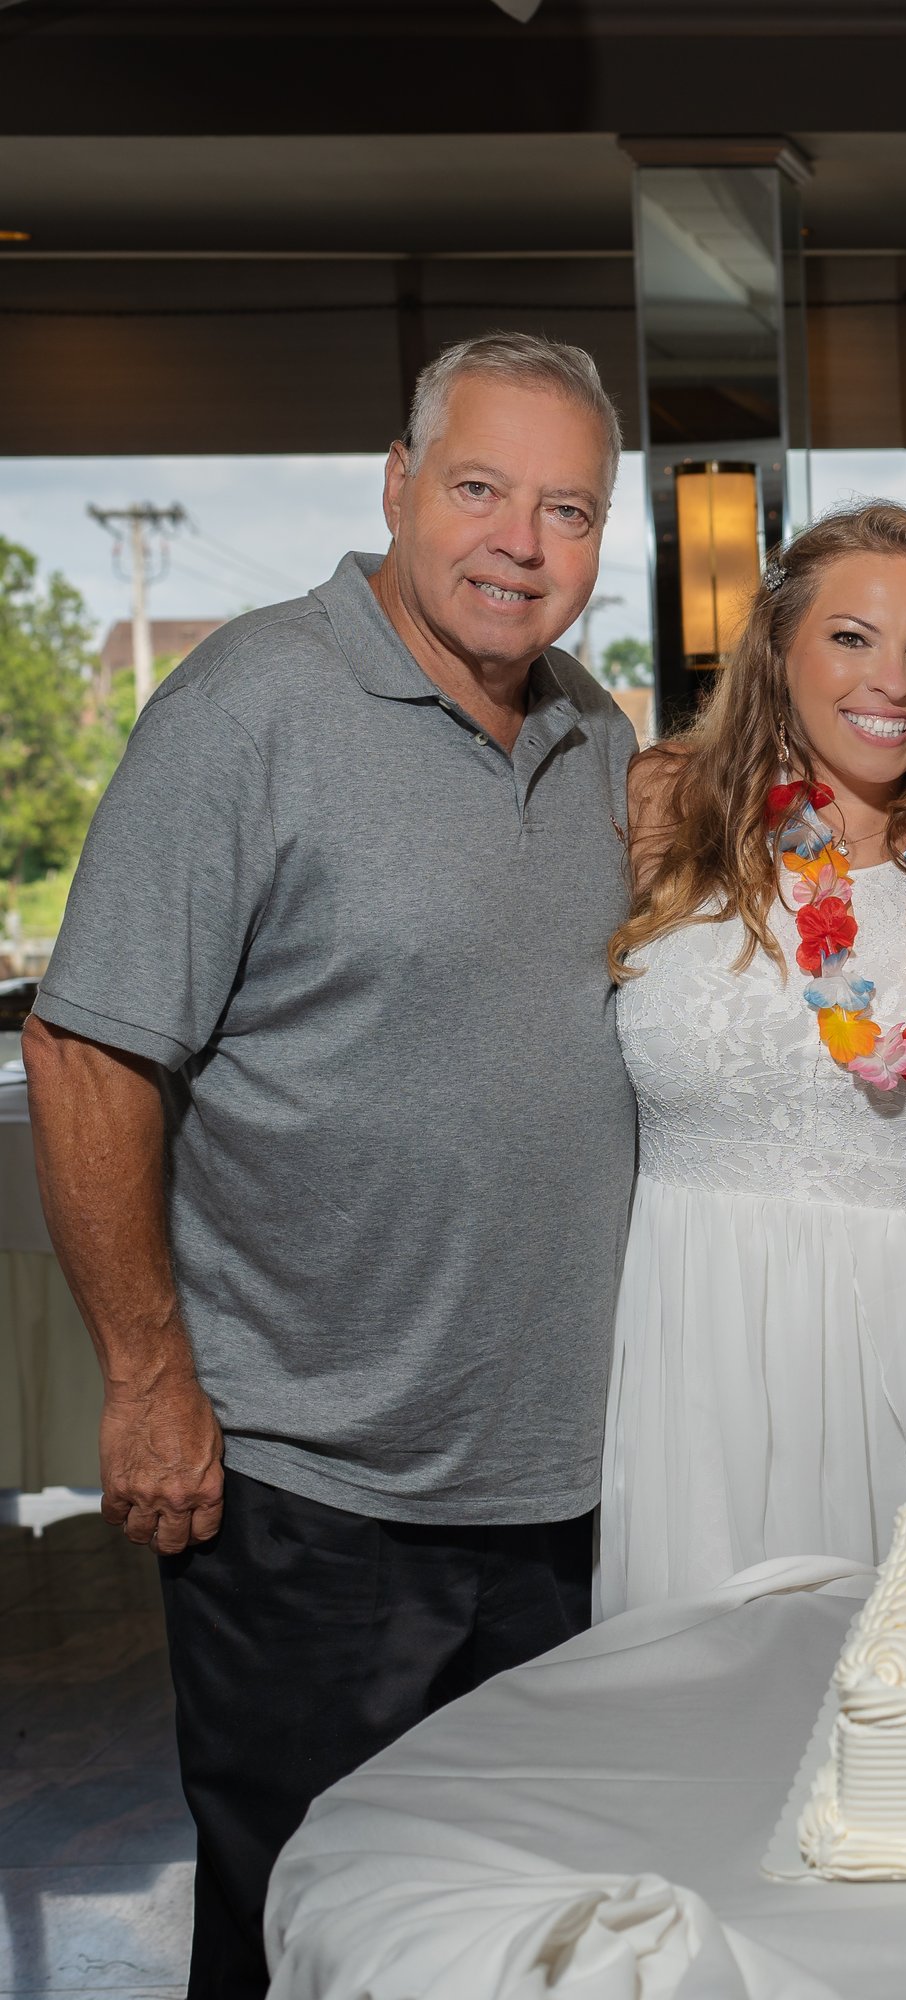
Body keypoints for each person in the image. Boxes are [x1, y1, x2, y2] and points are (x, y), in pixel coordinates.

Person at [23, 331, 638, 2000]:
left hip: (563, 1493)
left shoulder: (590, 730)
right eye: (482, 488)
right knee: (314, 1927)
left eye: (568, 508)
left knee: (527, 1933)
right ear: (396, 487)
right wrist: (152, 1379)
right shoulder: (246, 712)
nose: (521, 539)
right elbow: (85, 1052)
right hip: (315, 1494)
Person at [597, 502, 906, 1610]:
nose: (892, 684)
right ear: (777, 650)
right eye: (852, 637)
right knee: (721, 1707)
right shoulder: (664, 812)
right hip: (713, 1341)